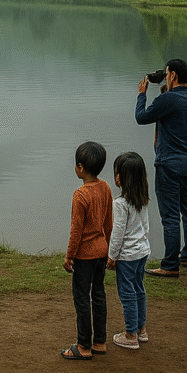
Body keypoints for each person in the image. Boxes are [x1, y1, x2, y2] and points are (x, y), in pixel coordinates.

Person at [135, 58, 187, 277]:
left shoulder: (168, 100)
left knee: (170, 216)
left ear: (172, 75)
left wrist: (142, 93)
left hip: (169, 165)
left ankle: (170, 265)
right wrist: (164, 94)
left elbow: (141, 117)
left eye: (167, 73)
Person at [60, 141, 114, 360]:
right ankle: (99, 341)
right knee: (98, 294)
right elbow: (109, 223)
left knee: (82, 298)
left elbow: (76, 231)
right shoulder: (106, 188)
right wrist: (111, 249)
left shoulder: (80, 195)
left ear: (80, 167)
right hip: (102, 251)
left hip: (84, 255)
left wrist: (69, 255)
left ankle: (83, 346)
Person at [107, 152, 152, 349]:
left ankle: (131, 334)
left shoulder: (120, 204)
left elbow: (117, 234)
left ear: (120, 178)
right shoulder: (141, 199)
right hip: (142, 252)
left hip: (127, 256)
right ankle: (141, 330)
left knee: (127, 294)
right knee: (138, 290)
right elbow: (146, 226)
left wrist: (111, 256)